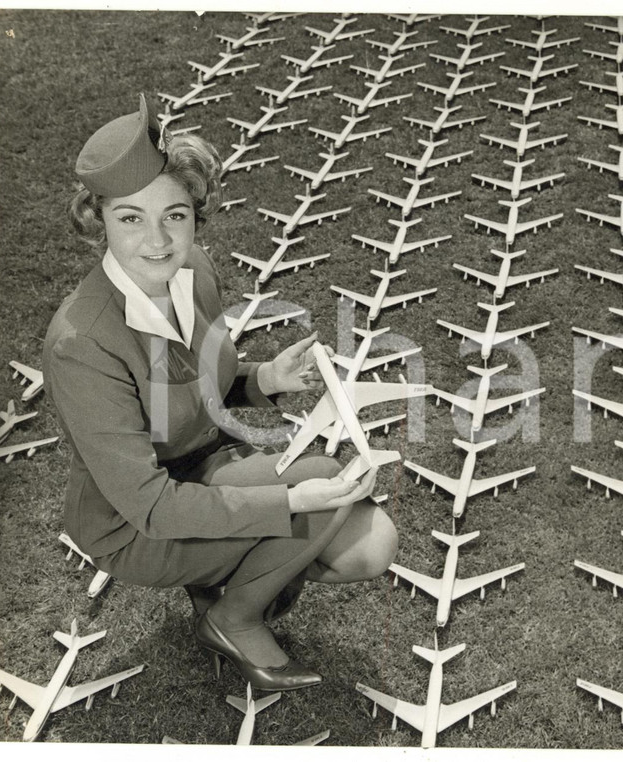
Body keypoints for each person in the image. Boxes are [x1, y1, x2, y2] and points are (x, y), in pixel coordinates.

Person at [43, 94, 397, 692]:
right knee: (319, 491)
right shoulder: (81, 343)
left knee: (372, 543)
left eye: (174, 215)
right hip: (135, 522)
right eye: (131, 218)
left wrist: (263, 379)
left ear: (195, 214)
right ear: (98, 219)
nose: (158, 240)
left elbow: (190, 379)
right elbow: (153, 506)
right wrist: (291, 502)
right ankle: (234, 618)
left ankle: (221, 574)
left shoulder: (194, 270)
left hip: (201, 465)